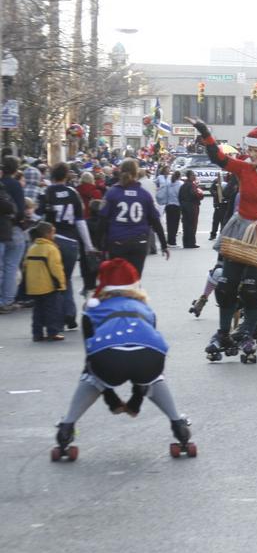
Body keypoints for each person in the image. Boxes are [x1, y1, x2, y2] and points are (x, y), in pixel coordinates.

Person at [50, 258, 194, 461]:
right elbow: (144, 345)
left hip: (109, 359)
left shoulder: (91, 310)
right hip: (149, 357)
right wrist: (135, 401)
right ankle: (180, 428)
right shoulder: (146, 310)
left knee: (92, 376)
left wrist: (111, 399)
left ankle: (66, 430)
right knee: (153, 376)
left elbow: (90, 360)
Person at [188, 118, 257, 364]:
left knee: (252, 288)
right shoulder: (243, 168)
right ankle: (223, 332)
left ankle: (247, 331)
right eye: (250, 150)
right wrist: (204, 131)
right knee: (226, 284)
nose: (250, 154)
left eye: (256, 151)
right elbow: (218, 158)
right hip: (239, 230)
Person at [37, 162, 97, 330]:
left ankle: (58, 316)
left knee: (54, 281)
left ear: (52, 175)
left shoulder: (47, 192)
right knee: (66, 278)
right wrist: (88, 245)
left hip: (52, 241)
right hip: (71, 242)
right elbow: (80, 222)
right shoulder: (73, 193)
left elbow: (37, 217)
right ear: (66, 176)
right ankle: (69, 312)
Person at [99, 158, 169, 275]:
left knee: (117, 278)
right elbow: (155, 221)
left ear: (121, 172)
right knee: (134, 279)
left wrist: (98, 244)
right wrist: (163, 245)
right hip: (139, 242)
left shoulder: (112, 193)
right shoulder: (144, 195)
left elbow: (102, 220)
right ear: (136, 173)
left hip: (117, 242)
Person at [23, 221, 66, 341]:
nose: (54, 235)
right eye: (53, 232)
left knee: (37, 311)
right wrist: (61, 284)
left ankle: (37, 334)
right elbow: (56, 268)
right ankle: (53, 332)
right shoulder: (51, 249)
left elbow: (25, 265)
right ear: (48, 234)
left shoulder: (32, 247)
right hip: (48, 285)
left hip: (33, 286)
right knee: (52, 310)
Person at [0, 156, 26, 312]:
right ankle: (7, 300)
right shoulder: (15, 185)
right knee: (11, 266)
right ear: (16, 169)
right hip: (12, 228)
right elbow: (20, 210)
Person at [155, 171, 182, 246]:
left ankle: (170, 241)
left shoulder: (168, 184)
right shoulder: (180, 184)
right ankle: (172, 242)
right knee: (175, 225)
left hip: (168, 206)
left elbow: (162, 194)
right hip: (176, 206)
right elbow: (180, 196)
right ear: (179, 177)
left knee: (169, 224)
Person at [178, 170, 203, 249]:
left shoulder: (183, 185)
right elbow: (196, 194)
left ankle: (186, 242)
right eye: (193, 175)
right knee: (192, 225)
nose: (194, 176)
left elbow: (179, 197)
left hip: (184, 206)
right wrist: (201, 195)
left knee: (186, 225)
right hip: (192, 206)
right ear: (189, 176)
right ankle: (191, 242)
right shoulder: (192, 186)